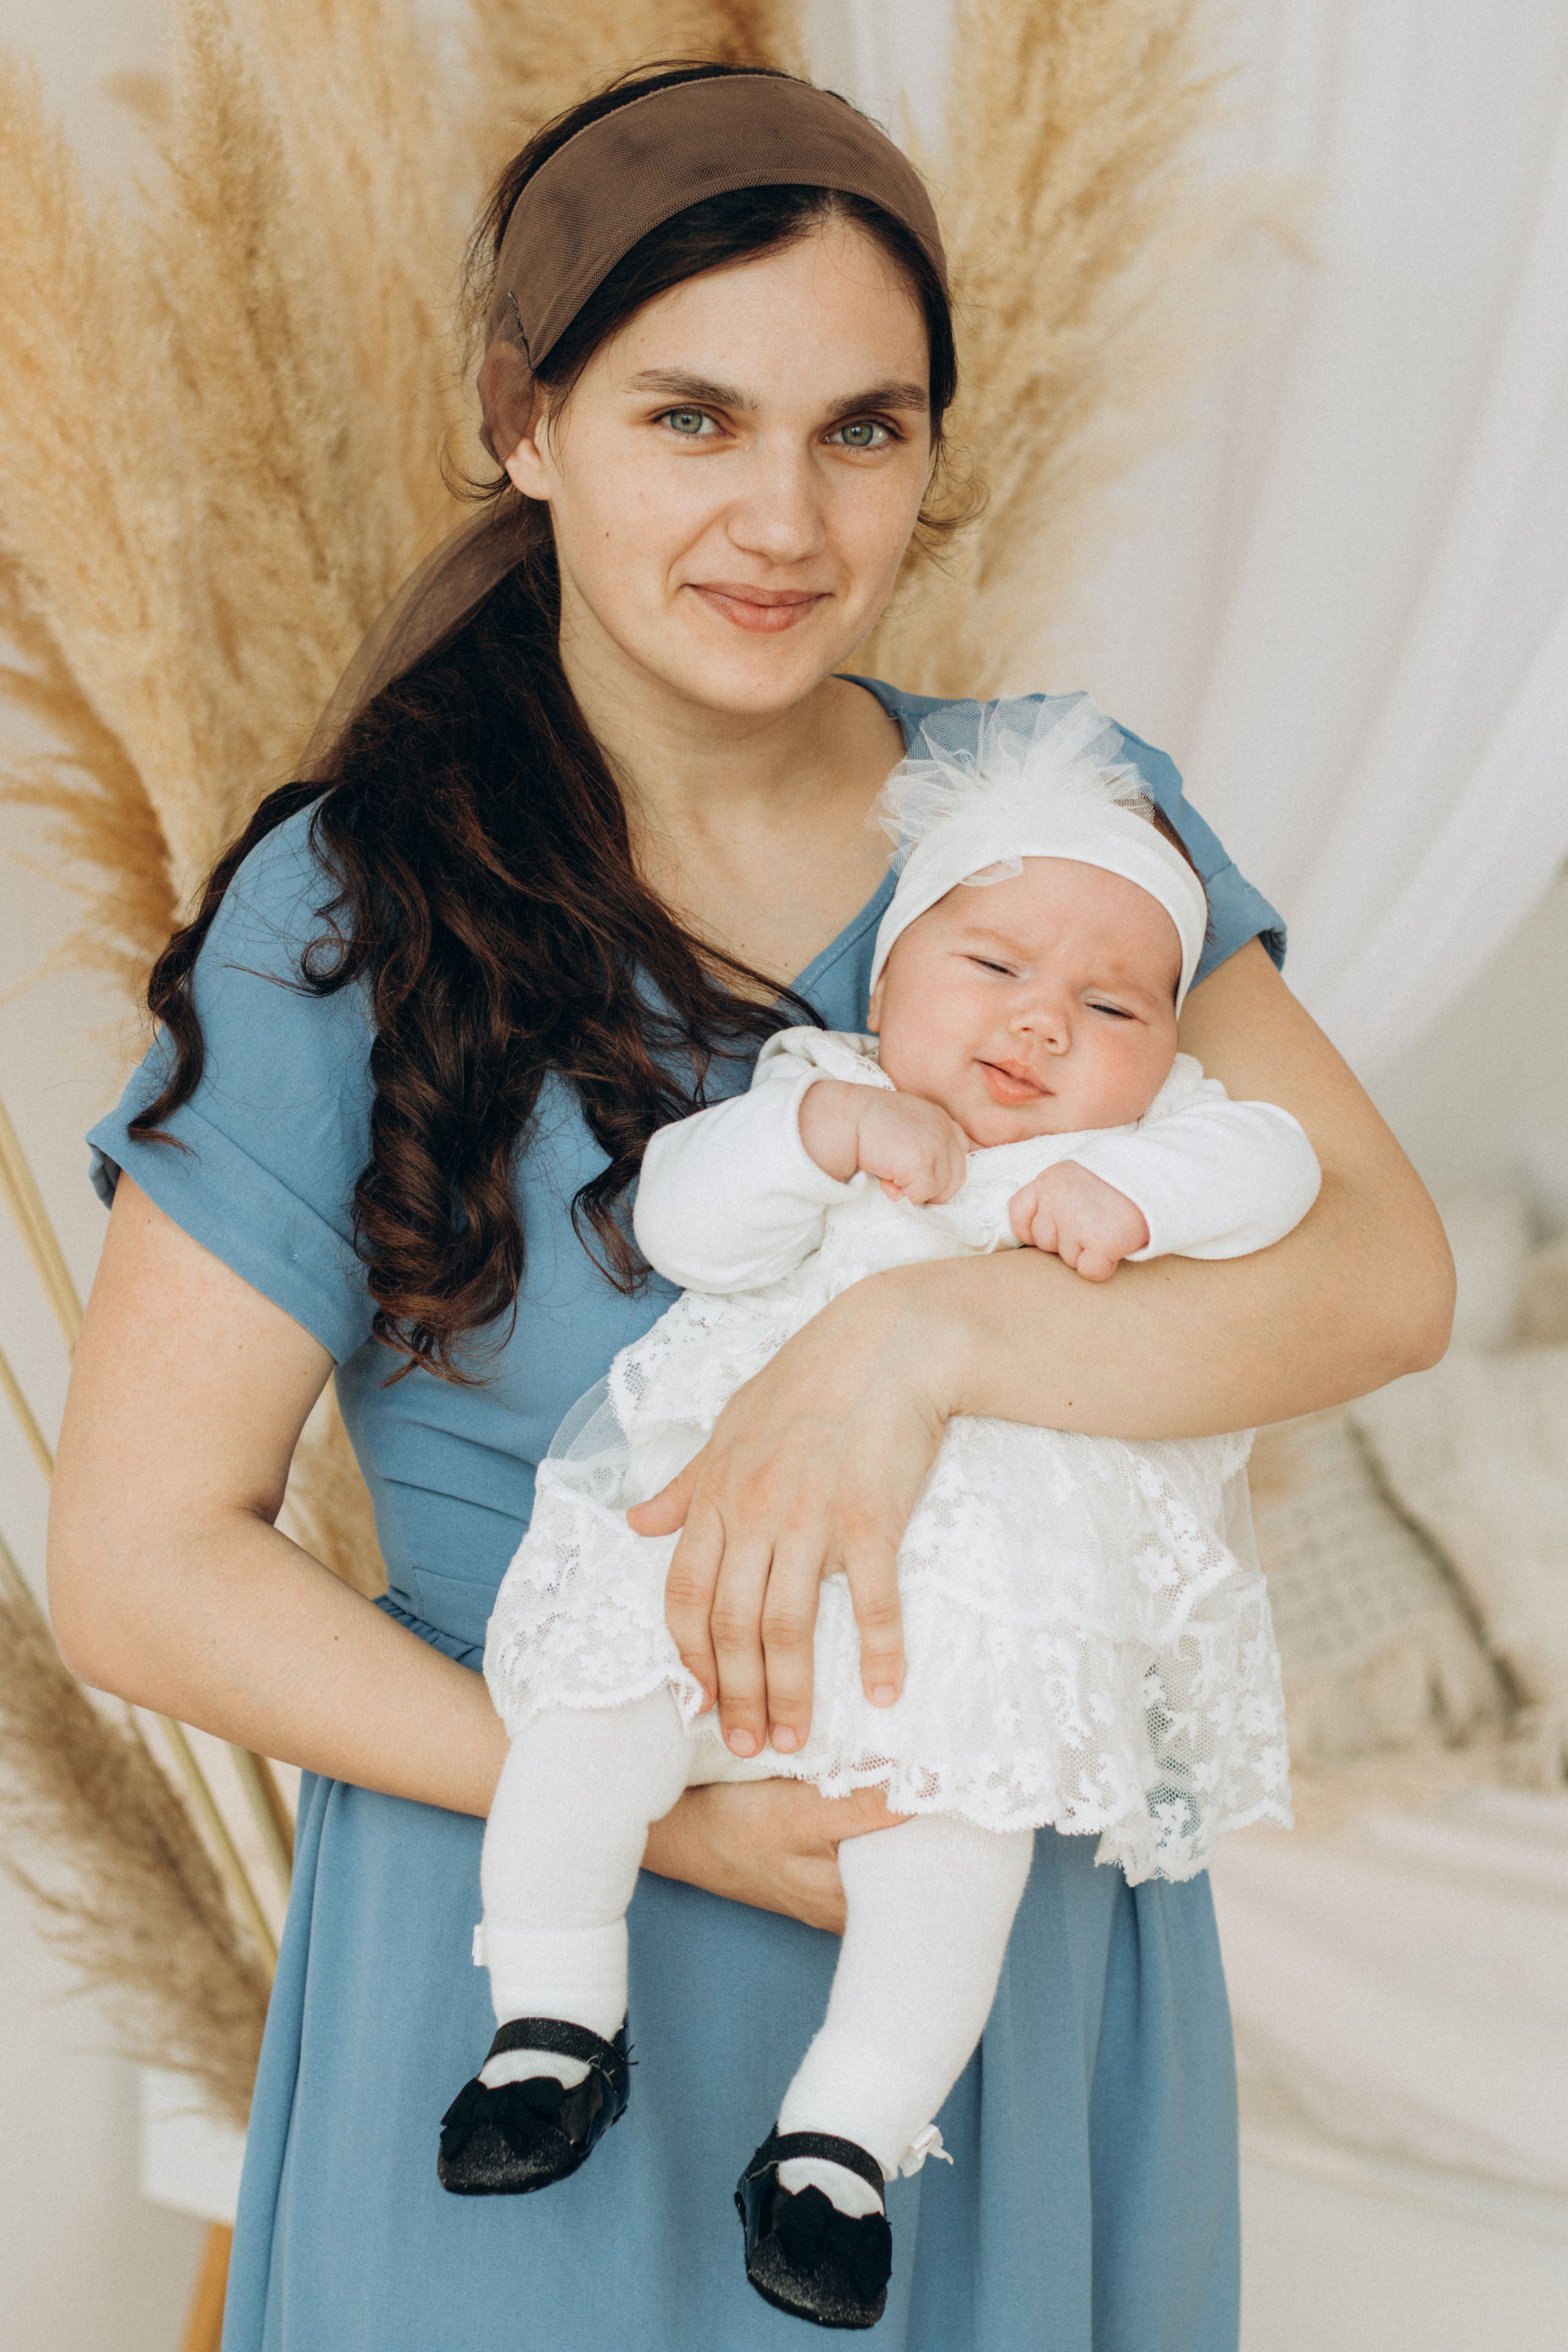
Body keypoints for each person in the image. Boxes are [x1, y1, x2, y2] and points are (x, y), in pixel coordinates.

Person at [45, 61, 1452, 2352]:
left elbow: (1385, 1273)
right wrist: (677, 1825)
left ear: (931, 452)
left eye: (861, 429)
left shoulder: (1060, 830)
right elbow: (136, 1563)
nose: (782, 517)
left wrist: (915, 1348)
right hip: (550, 1930)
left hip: (996, 1964)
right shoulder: (358, 906)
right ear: (526, 419)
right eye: (690, 419)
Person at [456, 697, 1322, 2329]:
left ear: (1164, 1050)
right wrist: (819, 1135)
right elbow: (684, 1220)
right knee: (583, 1738)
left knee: (957, 1865)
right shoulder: (820, 1089)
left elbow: (1282, 1164)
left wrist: (1139, 1191)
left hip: (959, 1639)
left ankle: (841, 2145)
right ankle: (551, 2019)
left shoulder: (1155, 1148)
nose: (1045, 1026)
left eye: (1113, 1004)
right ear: (892, 974)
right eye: (992, 967)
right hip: (712, 1571)